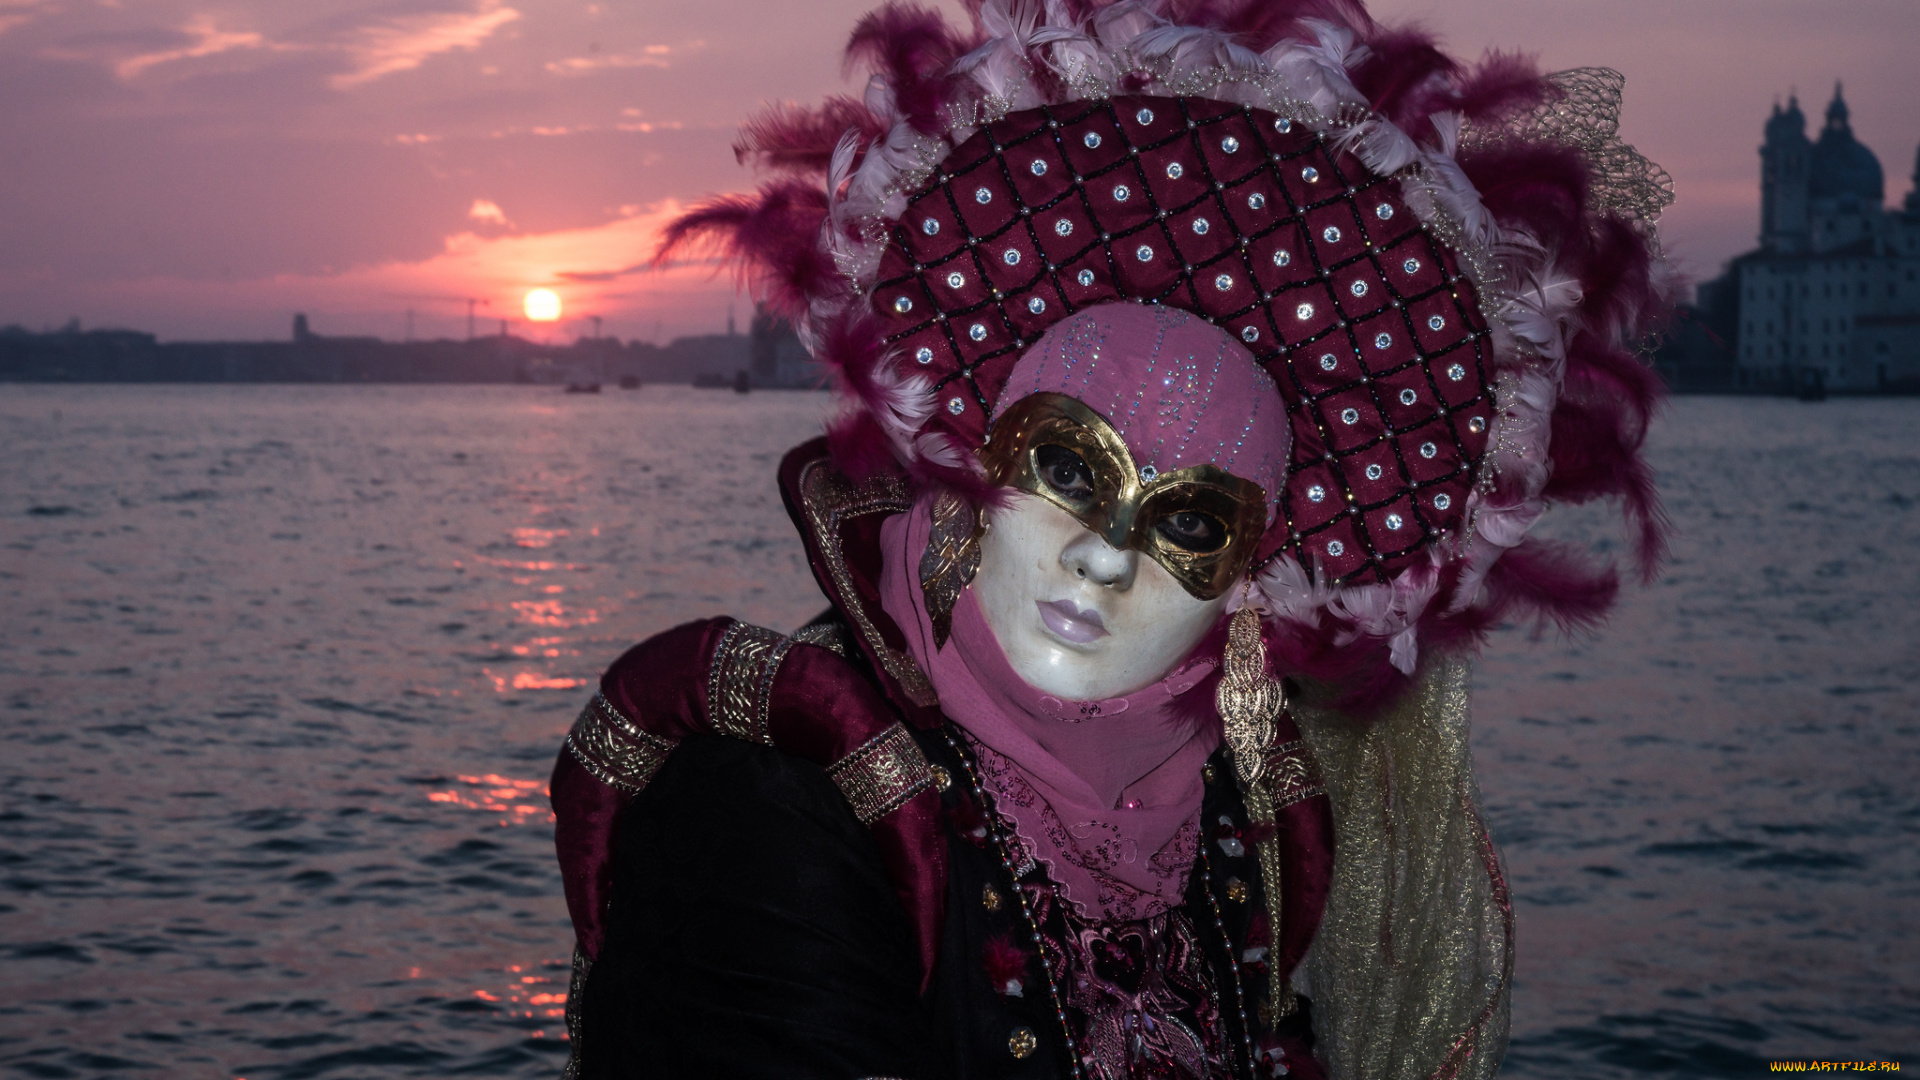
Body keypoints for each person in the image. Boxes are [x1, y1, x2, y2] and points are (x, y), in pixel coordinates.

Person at [547, 2, 1674, 1077]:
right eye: (1070, 470)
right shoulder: (778, 801)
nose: (1104, 556)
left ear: (1253, 571)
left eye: (1190, 523)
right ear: (982, 456)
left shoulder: (1241, 815)